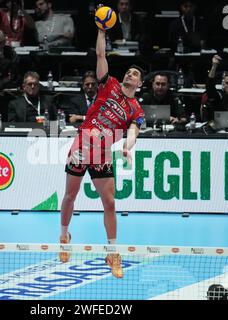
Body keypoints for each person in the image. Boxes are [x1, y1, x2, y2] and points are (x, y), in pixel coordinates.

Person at [59, 26, 145, 279]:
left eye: (135, 74)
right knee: (69, 196)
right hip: (83, 144)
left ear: (139, 84)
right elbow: (100, 56)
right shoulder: (110, 85)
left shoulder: (135, 110)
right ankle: (64, 236)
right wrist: (100, 31)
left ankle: (112, 252)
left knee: (109, 203)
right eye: (129, 71)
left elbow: (133, 131)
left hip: (103, 152)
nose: (130, 74)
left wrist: (128, 148)